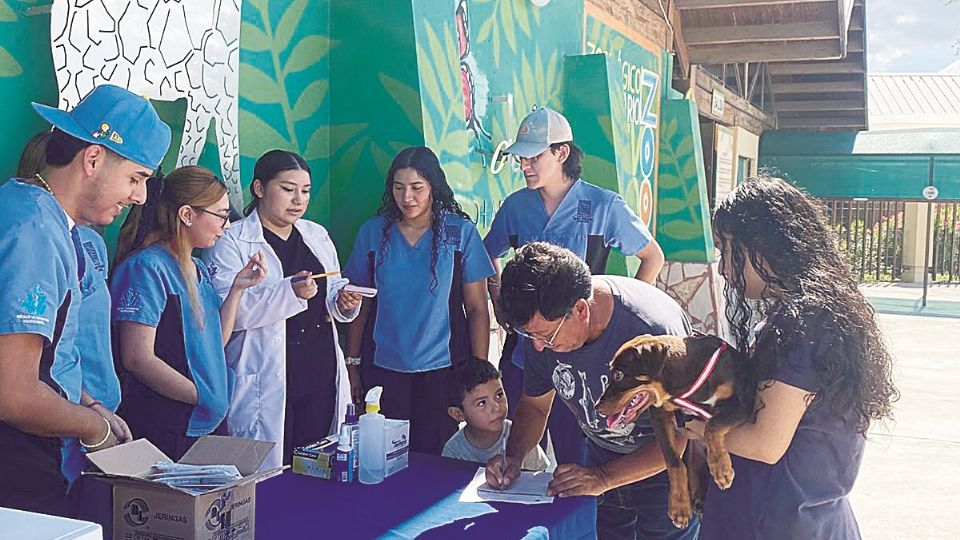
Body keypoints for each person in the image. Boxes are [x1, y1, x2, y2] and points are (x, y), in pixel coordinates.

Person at [688, 177, 898, 539]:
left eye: (726, 249)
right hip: (814, 518)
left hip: (772, 522)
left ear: (762, 245)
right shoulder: (826, 313)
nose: (722, 268)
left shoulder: (800, 324)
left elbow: (765, 444)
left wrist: (695, 428)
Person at [0, 84, 170, 516]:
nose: (140, 197)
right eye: (136, 178)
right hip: (19, 469)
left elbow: (45, 360)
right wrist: (93, 428)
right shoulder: (35, 232)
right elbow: (13, 394)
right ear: (93, 159)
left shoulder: (27, 209)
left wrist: (86, 401)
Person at [484, 107, 665, 466]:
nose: (525, 166)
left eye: (533, 157)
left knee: (577, 458)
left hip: (585, 356)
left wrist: (624, 324)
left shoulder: (604, 205)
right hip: (528, 351)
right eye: (521, 159)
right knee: (518, 447)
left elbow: (652, 257)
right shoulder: (516, 207)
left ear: (561, 153)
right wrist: (500, 300)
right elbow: (487, 253)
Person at [485, 242, 698, 540]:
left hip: (666, 469)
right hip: (601, 454)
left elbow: (679, 436)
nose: (537, 346)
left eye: (545, 336)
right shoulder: (542, 329)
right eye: (530, 335)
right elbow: (535, 407)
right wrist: (514, 458)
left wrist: (603, 478)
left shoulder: (651, 332)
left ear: (580, 310)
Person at [205, 150, 362, 469]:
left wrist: (343, 301)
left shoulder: (316, 235)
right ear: (259, 188)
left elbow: (332, 287)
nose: (298, 200)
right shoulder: (231, 241)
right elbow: (230, 313)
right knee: (270, 473)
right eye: (288, 189)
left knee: (318, 463)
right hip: (267, 375)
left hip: (319, 369)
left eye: (305, 191)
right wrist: (289, 292)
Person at [343, 146, 494, 455]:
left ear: (433, 187)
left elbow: (477, 308)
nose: (407, 197)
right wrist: (352, 364)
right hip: (383, 369)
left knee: (437, 457)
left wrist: (478, 374)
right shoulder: (373, 233)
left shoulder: (460, 232)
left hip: (445, 370)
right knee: (385, 456)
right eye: (398, 188)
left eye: (416, 187)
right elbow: (360, 304)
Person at [111, 165, 266, 461]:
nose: (226, 226)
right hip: (167, 423)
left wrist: (237, 290)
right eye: (221, 215)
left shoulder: (199, 268)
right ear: (187, 214)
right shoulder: (146, 268)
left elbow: (215, 343)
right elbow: (137, 358)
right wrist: (200, 395)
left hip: (205, 422)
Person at [443, 358, 549, 471]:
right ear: (458, 414)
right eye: (482, 403)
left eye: (499, 395)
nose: (496, 408)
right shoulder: (453, 451)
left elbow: (539, 477)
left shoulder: (521, 436)